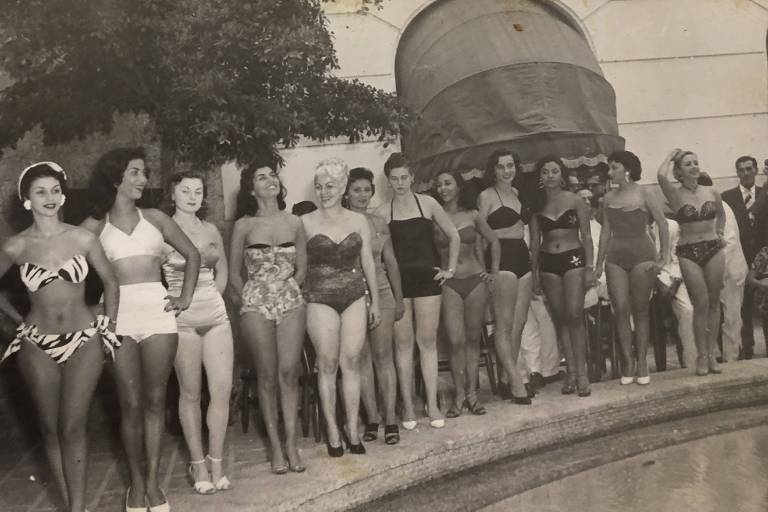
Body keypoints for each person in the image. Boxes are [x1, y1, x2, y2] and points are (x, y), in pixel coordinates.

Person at [81, 147, 200, 512]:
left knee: (154, 402)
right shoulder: (93, 226)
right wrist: (90, 308)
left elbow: (192, 255)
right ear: (116, 176)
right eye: (135, 172)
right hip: (118, 319)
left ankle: (153, 485)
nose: (144, 179)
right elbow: (66, 271)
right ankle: (135, 483)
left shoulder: (156, 218)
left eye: (145, 172)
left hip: (158, 314)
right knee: (129, 405)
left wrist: (184, 297)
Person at [0, 162, 120, 512]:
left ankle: (79, 508)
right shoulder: (16, 247)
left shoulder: (82, 238)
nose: (50, 197)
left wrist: (108, 326)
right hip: (37, 343)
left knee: (72, 426)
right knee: (50, 428)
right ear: (27, 201)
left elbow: (111, 282)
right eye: (41, 192)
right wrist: (18, 321)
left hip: (84, 338)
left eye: (55, 190)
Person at [228, 159, 307, 473]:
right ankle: (274, 447)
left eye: (273, 175)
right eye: (261, 177)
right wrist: (251, 294)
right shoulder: (244, 225)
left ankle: (292, 444)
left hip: (290, 298)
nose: (269, 180)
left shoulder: (294, 222)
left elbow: (303, 267)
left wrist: (289, 289)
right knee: (267, 374)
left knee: (289, 372)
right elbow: (234, 273)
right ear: (251, 188)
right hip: (256, 301)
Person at [374, 153, 459, 430]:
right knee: (403, 345)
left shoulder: (429, 203)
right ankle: (408, 404)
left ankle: (432, 403)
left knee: (428, 343)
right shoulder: (381, 212)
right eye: (394, 179)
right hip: (399, 284)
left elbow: (454, 235)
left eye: (404, 177)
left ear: (412, 178)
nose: (399, 183)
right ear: (388, 180)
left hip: (427, 281)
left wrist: (450, 269)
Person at [302, 158, 380, 456]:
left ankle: (351, 428)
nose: (323, 192)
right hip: (319, 298)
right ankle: (332, 430)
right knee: (328, 363)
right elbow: (300, 266)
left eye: (330, 186)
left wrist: (374, 300)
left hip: (355, 295)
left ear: (343, 187)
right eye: (319, 187)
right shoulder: (306, 222)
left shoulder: (358, 220)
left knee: (351, 361)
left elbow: (368, 263)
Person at [162, 171, 233, 492]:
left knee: (221, 390)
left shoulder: (211, 229)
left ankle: (216, 462)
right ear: (173, 194)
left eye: (198, 191)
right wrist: (173, 302)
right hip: (182, 320)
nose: (193, 197)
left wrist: (214, 296)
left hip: (216, 316)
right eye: (185, 191)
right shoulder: (162, 229)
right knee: (190, 393)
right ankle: (197, 465)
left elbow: (223, 269)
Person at [595, 150, 669, 385]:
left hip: (642, 256)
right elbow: (605, 232)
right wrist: (598, 265)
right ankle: (627, 362)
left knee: (640, 310)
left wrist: (663, 259)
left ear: (627, 169)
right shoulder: (607, 198)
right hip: (616, 257)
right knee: (620, 309)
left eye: (614, 167)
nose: (610, 172)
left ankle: (643, 361)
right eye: (609, 167)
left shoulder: (645, 192)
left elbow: (663, 224)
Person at [344, 167, 405, 445]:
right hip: (354, 294)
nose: (362, 195)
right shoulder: (340, 221)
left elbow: (390, 262)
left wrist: (399, 297)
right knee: (362, 359)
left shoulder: (380, 222)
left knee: (384, 357)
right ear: (346, 192)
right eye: (356, 189)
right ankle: (372, 418)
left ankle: (391, 419)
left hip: (382, 291)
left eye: (366, 189)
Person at [434, 169, 500, 415]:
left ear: (458, 186)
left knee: (473, 340)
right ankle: (458, 394)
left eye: (448, 183)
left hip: (475, 280)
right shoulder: (434, 216)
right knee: (455, 340)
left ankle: (472, 395)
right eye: (439, 184)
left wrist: (492, 271)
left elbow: (494, 240)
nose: (443, 188)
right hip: (449, 284)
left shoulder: (472, 215)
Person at [656, 149, 725, 376]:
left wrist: (720, 234)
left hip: (713, 247)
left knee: (715, 302)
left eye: (696, 162)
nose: (694, 166)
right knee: (700, 302)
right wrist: (671, 156)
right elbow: (660, 176)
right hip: (688, 251)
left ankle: (713, 353)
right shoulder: (675, 194)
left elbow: (721, 216)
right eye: (687, 164)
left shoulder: (712, 191)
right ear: (679, 171)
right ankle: (701, 355)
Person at [530, 156, 594, 397]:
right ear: (540, 176)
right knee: (560, 318)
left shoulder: (576, 201)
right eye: (545, 171)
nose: (550, 175)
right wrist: (535, 273)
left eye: (554, 171)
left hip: (573, 260)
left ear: (562, 175)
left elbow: (587, 236)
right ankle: (570, 372)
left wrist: (589, 268)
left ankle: (582, 373)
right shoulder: (536, 206)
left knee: (575, 315)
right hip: (548, 263)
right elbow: (535, 242)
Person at [476, 149, 534, 403]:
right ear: (493, 170)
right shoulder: (486, 196)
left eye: (510, 165)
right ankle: (516, 381)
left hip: (523, 260)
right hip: (502, 263)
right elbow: (479, 237)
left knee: (519, 324)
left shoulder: (517, 194)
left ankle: (504, 377)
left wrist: (516, 234)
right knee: (504, 324)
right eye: (501, 167)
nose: (507, 171)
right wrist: (485, 270)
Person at [721, 156, 761, 359]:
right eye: (741, 170)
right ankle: (747, 347)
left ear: (756, 170)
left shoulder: (765, 194)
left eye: (749, 169)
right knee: (740, 305)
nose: (746, 173)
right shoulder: (727, 197)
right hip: (739, 256)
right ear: (737, 173)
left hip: (764, 258)